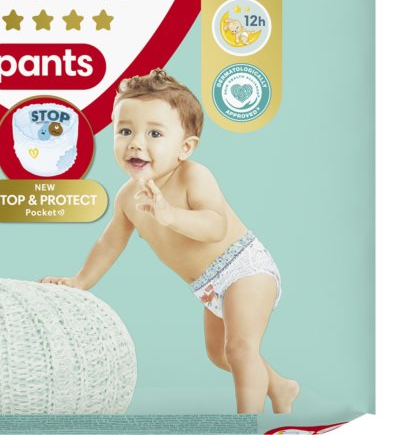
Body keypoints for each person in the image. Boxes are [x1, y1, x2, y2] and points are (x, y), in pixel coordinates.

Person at [41, 69, 299, 414]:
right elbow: (109, 243)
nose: (136, 143)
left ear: (185, 147)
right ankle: (280, 386)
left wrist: (170, 215)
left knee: (240, 348)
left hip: (245, 268)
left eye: (154, 133)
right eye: (125, 131)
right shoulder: (128, 198)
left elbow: (216, 227)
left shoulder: (193, 176)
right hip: (208, 286)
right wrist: (80, 281)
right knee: (219, 354)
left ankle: (246, 425)